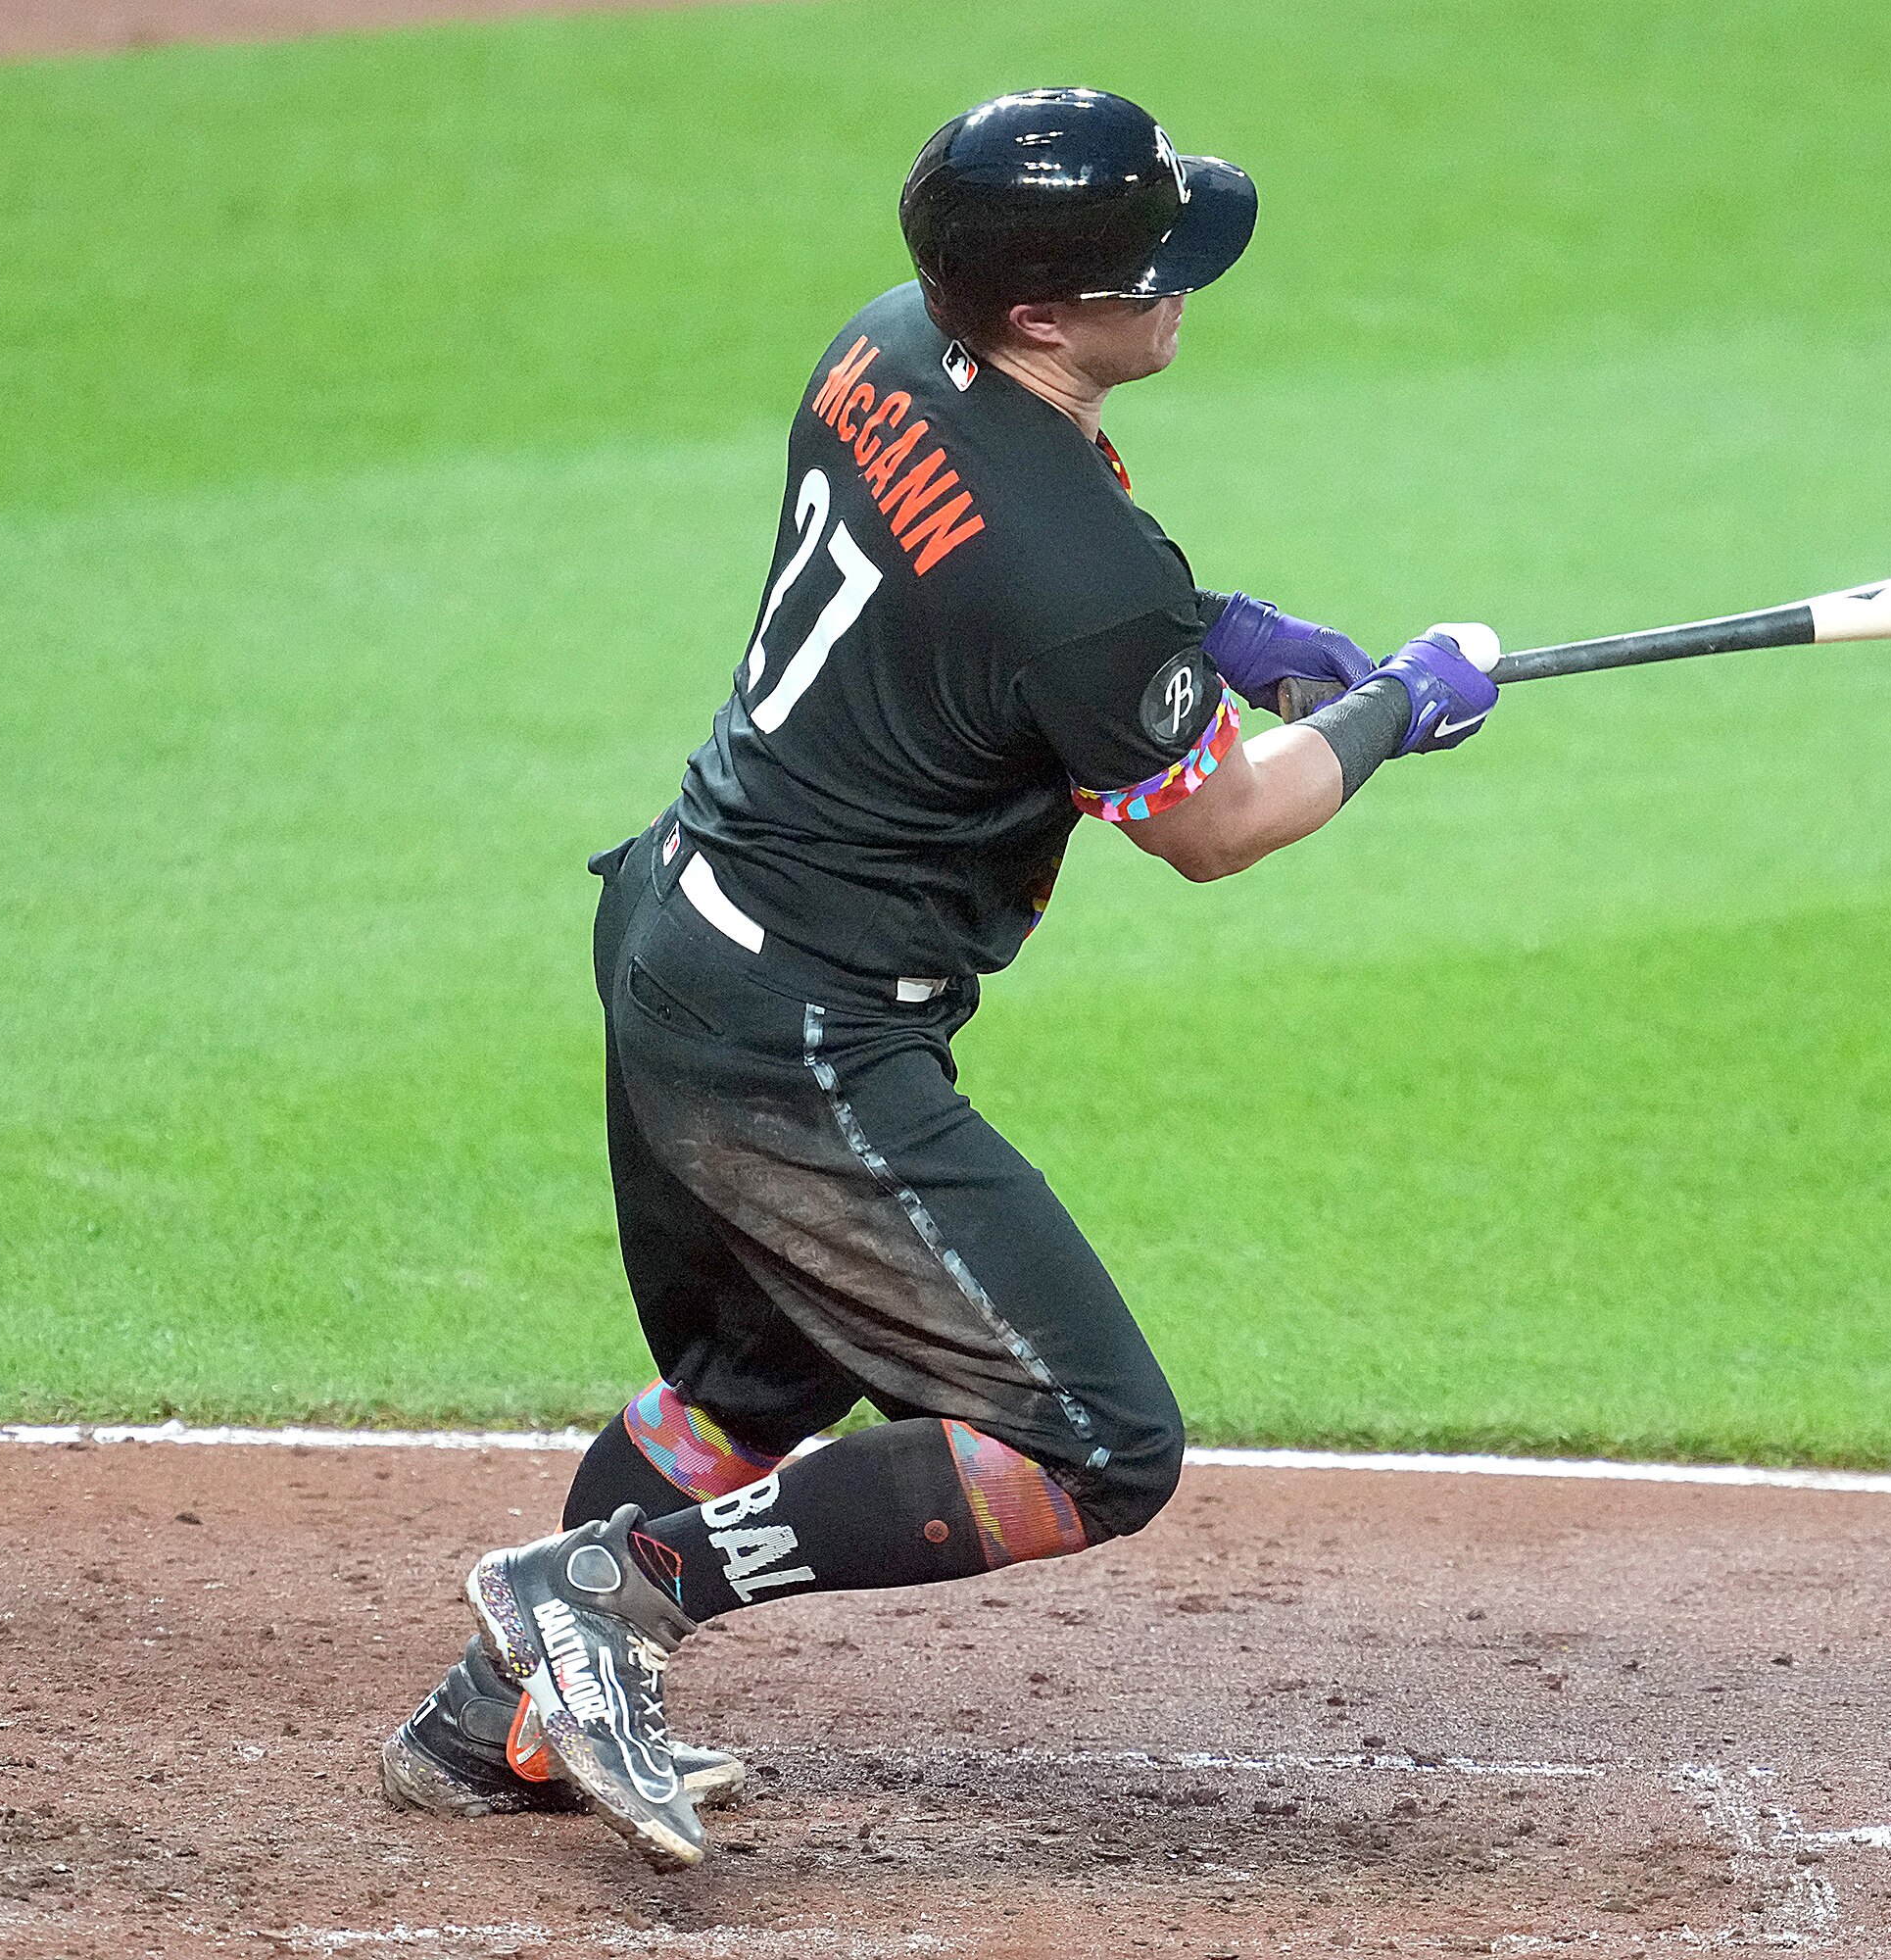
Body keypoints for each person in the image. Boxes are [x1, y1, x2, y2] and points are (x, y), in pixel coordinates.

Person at [376, 87, 1500, 1872]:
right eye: (1149, 270)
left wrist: (1217, 631)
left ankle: (487, 1726)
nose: (1180, 290)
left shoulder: (889, 343)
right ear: (1046, 313)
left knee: (752, 1378)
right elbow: (1210, 826)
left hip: (680, 934)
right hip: (800, 1044)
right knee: (1089, 1444)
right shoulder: (1077, 580)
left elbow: (995, 577)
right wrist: (1389, 710)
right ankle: (606, 1595)